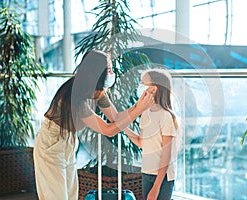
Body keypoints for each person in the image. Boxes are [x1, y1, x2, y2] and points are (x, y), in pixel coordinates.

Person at [33, 50, 155, 200]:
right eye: (109, 70)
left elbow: (115, 117)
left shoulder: (98, 92)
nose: (112, 73)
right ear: (98, 72)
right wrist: (140, 109)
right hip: (52, 141)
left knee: (70, 194)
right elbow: (107, 130)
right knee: (56, 195)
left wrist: (138, 106)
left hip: (69, 140)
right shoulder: (76, 95)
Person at [124, 69, 179, 200]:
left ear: (154, 89)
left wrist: (156, 187)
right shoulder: (146, 112)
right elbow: (141, 142)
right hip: (146, 173)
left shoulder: (166, 116)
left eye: (143, 83)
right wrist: (123, 127)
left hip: (163, 177)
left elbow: (166, 157)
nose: (140, 86)